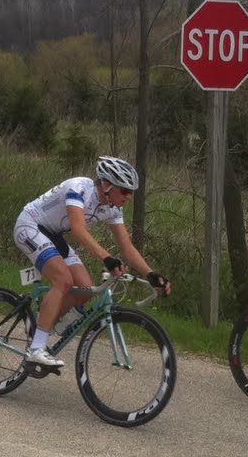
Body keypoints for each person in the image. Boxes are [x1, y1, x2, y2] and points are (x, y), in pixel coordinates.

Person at [11, 156, 172, 370]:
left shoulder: (114, 208)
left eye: (132, 192)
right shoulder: (79, 189)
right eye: (125, 191)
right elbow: (78, 229)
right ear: (106, 185)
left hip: (53, 234)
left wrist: (151, 274)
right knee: (63, 281)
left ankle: (40, 327)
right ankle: (37, 349)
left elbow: (127, 247)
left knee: (85, 290)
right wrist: (107, 258)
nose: (129, 197)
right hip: (30, 226)